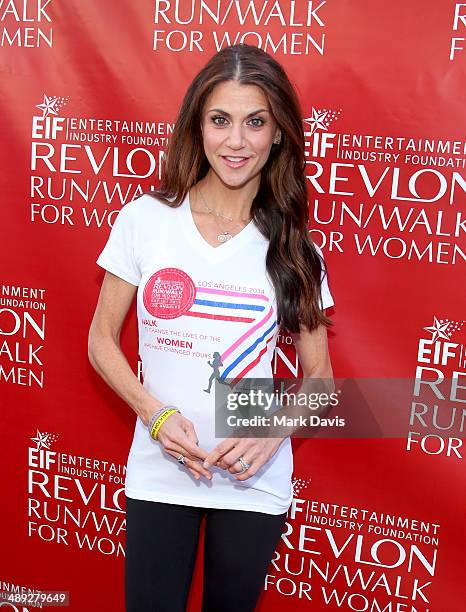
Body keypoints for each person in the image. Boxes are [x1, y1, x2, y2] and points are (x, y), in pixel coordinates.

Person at [88, 43, 335, 612]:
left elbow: (320, 381)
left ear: (278, 134)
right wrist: (156, 415)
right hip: (160, 461)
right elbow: (102, 341)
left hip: (253, 474)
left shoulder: (294, 247)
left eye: (256, 122)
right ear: (197, 127)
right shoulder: (147, 219)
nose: (236, 141)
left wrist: (271, 434)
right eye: (220, 120)